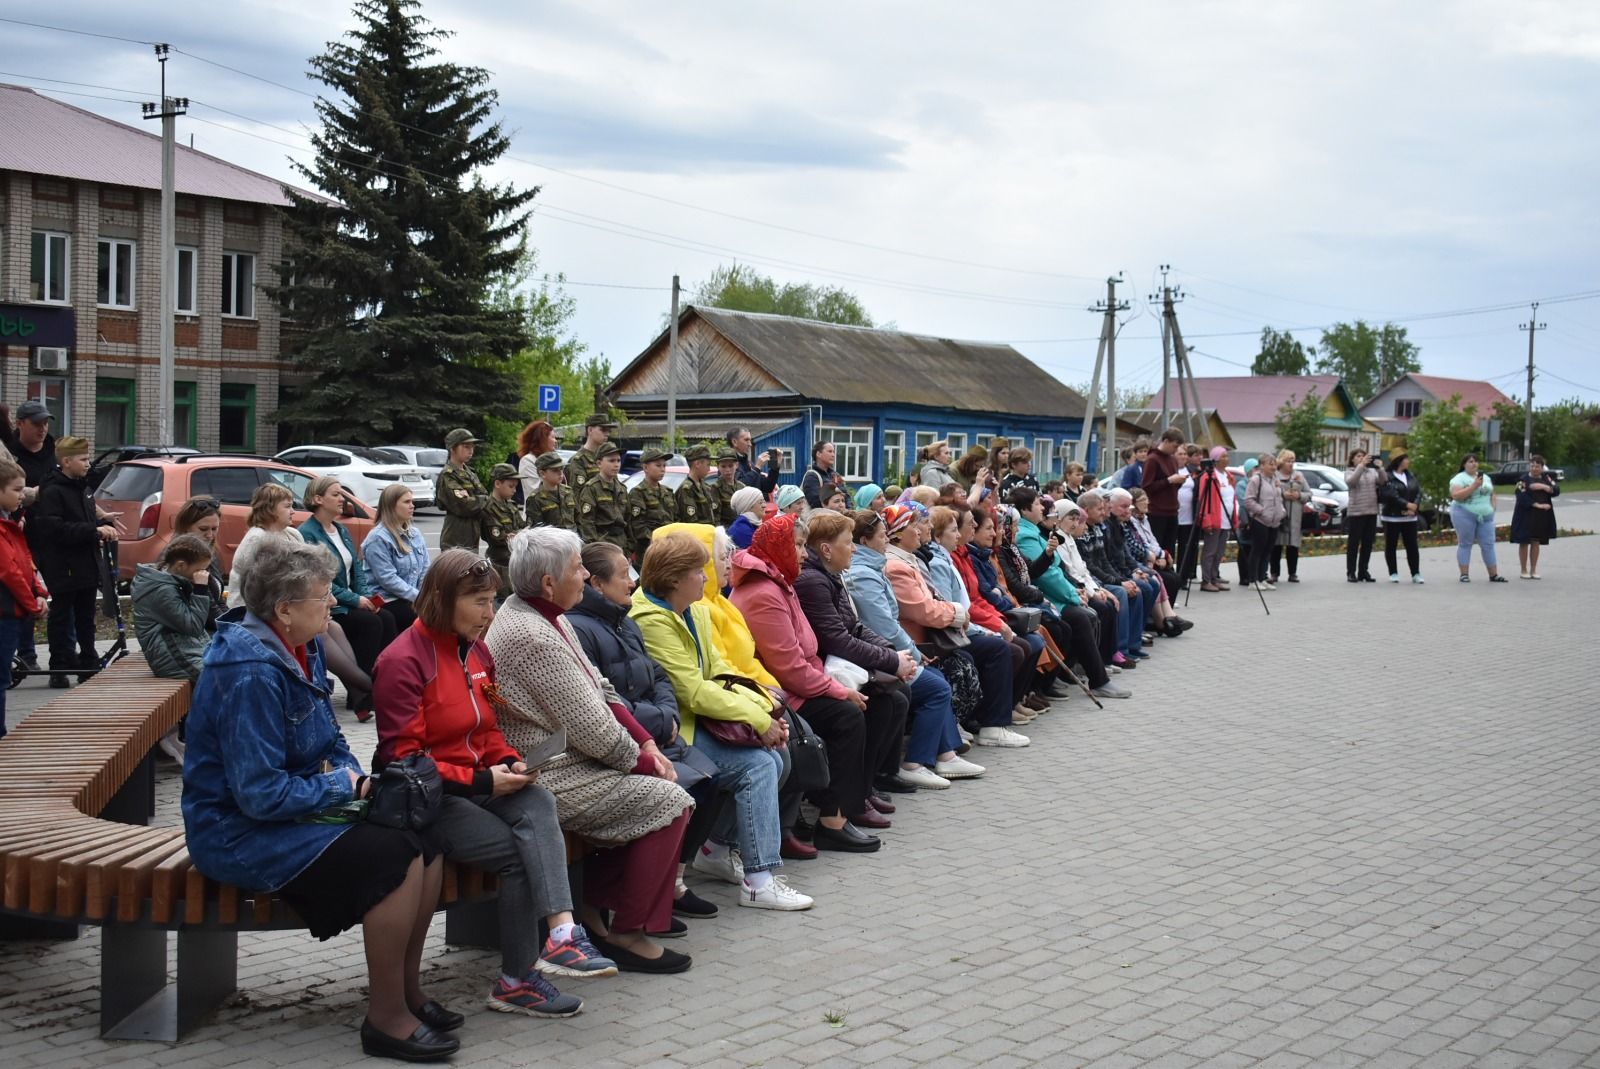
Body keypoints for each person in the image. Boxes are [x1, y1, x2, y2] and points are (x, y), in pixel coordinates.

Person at [183, 539, 457, 1061]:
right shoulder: (249, 672)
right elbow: (259, 795)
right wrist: (344, 788)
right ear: (284, 609)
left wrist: (355, 777)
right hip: (236, 832)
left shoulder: (299, 643)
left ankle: (407, 990)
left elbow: (331, 739)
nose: (333, 604)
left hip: (296, 807)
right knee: (391, 854)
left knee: (427, 834)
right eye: (324, 595)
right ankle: (385, 1017)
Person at [371, 546, 608, 1023]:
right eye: (478, 601)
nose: (489, 614)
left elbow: (488, 726)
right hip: (428, 799)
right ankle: (519, 979)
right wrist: (481, 780)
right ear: (441, 599)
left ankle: (561, 935)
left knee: (538, 797)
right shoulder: (403, 661)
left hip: (479, 785)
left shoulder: (477, 651)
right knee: (520, 853)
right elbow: (402, 761)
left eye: (491, 600)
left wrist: (509, 762)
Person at [485, 529, 695, 972]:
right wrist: (648, 763)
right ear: (548, 582)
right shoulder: (531, 634)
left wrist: (646, 741)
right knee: (672, 801)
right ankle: (628, 932)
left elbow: (601, 688)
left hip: (575, 758)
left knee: (669, 788)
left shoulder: (550, 615)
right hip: (549, 773)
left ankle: (596, 909)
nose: (585, 575)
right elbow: (595, 731)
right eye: (578, 568)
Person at [631, 531, 815, 911]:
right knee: (759, 767)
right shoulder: (651, 621)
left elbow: (720, 668)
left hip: (706, 719)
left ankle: (716, 847)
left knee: (779, 757)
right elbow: (692, 691)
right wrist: (756, 718)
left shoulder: (693, 609)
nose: (707, 576)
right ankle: (759, 880)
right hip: (678, 728)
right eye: (699, 571)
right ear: (674, 578)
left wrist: (763, 708)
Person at [566, 542, 723, 922]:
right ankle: (632, 906)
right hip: (622, 744)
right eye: (623, 574)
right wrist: (659, 722)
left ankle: (673, 883)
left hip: (656, 731)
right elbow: (604, 700)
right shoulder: (581, 629)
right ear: (597, 584)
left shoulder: (625, 620)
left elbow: (657, 676)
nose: (632, 581)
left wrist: (667, 715)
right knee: (674, 794)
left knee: (711, 781)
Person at [729, 514, 880, 853]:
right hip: (781, 690)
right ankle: (833, 820)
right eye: (797, 545)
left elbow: (805, 651)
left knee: (877, 698)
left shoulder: (781, 580)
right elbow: (789, 668)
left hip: (798, 683)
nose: (803, 554)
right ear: (778, 547)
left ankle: (852, 800)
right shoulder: (764, 591)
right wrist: (839, 689)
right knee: (847, 716)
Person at [842, 509, 985, 787]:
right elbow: (885, 626)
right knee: (935, 686)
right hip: (881, 653)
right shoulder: (866, 574)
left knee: (940, 679)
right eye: (883, 536)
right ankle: (916, 761)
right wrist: (915, 654)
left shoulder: (875, 567)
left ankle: (945, 753)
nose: (922, 531)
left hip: (890, 649)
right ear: (866, 540)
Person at [793, 510, 919, 824]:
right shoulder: (812, 581)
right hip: (824, 671)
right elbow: (836, 639)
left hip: (839, 666)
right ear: (826, 549)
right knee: (870, 708)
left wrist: (892, 652)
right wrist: (891, 660)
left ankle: (863, 786)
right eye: (848, 542)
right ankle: (844, 801)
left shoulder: (829, 576)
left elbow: (854, 626)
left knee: (895, 697)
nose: (853, 549)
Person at [882, 504, 1027, 748]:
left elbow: (967, 599)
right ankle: (973, 730)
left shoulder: (929, 559)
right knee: (991, 653)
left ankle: (968, 728)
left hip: (937, 633)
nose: (921, 530)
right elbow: (927, 609)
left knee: (1015, 644)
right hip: (924, 640)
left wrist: (983, 621)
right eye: (917, 525)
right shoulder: (903, 565)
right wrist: (961, 617)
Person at [229, 482, 373, 707]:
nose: (293, 511)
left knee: (334, 627)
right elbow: (259, 589)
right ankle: (366, 686)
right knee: (320, 632)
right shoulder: (256, 539)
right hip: (258, 612)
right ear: (269, 509)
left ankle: (360, 692)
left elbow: (311, 575)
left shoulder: (292, 534)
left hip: (292, 604)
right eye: (287, 506)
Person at [300, 477, 397, 709]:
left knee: (387, 617)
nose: (342, 499)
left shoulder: (341, 530)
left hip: (351, 601)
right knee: (369, 624)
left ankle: (387, 684)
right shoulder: (308, 533)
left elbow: (356, 569)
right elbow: (319, 579)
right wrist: (356, 600)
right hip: (332, 605)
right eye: (335, 494)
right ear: (318, 499)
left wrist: (366, 598)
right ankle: (361, 694)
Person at [27, 436, 112, 688]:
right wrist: (93, 531)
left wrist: (102, 526)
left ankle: (88, 662)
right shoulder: (53, 491)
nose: (88, 464)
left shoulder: (84, 489)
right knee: (62, 617)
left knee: (87, 617)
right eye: (83, 459)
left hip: (86, 563)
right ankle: (59, 666)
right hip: (63, 566)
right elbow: (54, 528)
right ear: (66, 461)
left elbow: (86, 522)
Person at [0, 460, 45, 738]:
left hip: (12, 612)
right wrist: (31, 604)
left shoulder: (11, 521)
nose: (22, 494)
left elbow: (25, 560)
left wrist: (39, 592)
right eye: (16, 489)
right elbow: (8, 571)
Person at [132, 533, 213, 684]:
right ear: (181, 565)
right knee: (220, 680)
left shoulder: (171, 580)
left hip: (188, 649)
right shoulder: (162, 591)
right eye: (200, 570)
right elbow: (193, 626)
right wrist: (200, 590)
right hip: (173, 657)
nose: (204, 574)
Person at [364, 484, 431, 632]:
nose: (412, 506)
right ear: (391, 506)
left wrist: (424, 596)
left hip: (412, 597)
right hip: (388, 599)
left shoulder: (415, 533)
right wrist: (419, 598)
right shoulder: (377, 538)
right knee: (423, 620)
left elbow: (426, 570)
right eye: (407, 502)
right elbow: (388, 579)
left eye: (412, 502)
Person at [170, 496, 226, 632]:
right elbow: (208, 614)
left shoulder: (209, 552)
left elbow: (217, 601)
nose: (210, 535)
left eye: (214, 528)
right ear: (185, 528)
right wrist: (236, 625)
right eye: (203, 529)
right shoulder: (181, 559)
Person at [1449, 454, 1506, 583]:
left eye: (1476, 462)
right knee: (1465, 543)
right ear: (1464, 464)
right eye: (1470, 462)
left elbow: (1492, 492)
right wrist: (1474, 486)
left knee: (1488, 544)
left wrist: (1493, 507)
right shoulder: (1459, 478)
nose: (1474, 464)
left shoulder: (1485, 477)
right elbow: (1456, 495)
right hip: (1465, 514)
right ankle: (1464, 574)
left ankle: (1494, 574)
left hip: (1486, 516)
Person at [478, 465, 527, 600]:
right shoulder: (489, 507)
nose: (514, 490)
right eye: (510, 486)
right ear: (498, 483)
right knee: (502, 599)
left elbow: (523, 527)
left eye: (515, 486)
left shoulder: (511, 505)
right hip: (500, 563)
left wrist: (517, 534)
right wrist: (513, 535)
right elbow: (497, 537)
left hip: (515, 560)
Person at [436, 428, 490, 552]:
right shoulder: (448, 475)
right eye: (466, 446)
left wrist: (479, 500)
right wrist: (482, 500)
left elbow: (483, 495)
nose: (471, 450)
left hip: (472, 535)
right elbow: (465, 505)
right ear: (452, 449)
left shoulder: (469, 472)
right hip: (456, 537)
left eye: (472, 446)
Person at [1192, 448, 1236, 592]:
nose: (1227, 458)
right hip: (1214, 518)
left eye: (1227, 456)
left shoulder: (1228, 476)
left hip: (1226, 520)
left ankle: (1214, 577)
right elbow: (1204, 499)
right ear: (1215, 459)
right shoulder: (1209, 476)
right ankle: (1206, 580)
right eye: (1223, 456)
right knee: (1210, 551)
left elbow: (1231, 498)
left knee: (1220, 551)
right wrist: (1206, 519)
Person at [1242, 454, 1287, 591]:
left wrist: (1282, 512)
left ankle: (1262, 577)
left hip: (1274, 521)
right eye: (1270, 464)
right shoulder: (1256, 480)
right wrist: (1261, 511)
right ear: (1261, 465)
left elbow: (1279, 498)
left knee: (1268, 551)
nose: (1273, 467)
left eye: (1274, 464)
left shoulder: (1275, 480)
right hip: (1260, 520)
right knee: (1257, 550)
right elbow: (1248, 501)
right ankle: (1252, 580)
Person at [1510, 454, 1559, 579]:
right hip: (1525, 515)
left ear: (1542, 467)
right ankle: (1523, 570)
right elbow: (1520, 495)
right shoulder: (1522, 480)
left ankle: (1534, 569)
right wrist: (1536, 505)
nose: (1534, 468)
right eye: (1532, 466)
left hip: (1541, 517)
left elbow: (1556, 489)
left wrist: (1544, 487)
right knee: (1524, 542)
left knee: (1536, 541)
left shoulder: (1546, 478)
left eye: (1537, 466)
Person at [1139, 427, 1186, 557]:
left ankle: (1169, 575)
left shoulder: (1172, 460)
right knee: (1158, 548)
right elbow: (1147, 486)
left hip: (1172, 511)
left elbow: (1172, 488)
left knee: (1170, 550)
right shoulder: (1152, 459)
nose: (1175, 450)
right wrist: (1169, 481)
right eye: (1174, 446)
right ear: (1165, 441)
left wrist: (1178, 482)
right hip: (1157, 512)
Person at [1379, 451, 1424, 584]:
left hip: (1410, 517)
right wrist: (1407, 505)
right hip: (1392, 517)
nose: (1408, 461)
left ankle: (1415, 573)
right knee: (1391, 545)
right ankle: (1393, 572)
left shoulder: (1410, 476)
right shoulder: (1388, 477)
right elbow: (1390, 495)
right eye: (1406, 459)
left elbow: (1418, 492)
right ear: (1398, 461)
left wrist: (1414, 505)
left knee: (1412, 546)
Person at [576, 442, 629, 553]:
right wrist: (596, 549)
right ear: (599, 463)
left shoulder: (622, 489)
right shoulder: (592, 488)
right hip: (603, 545)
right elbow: (587, 523)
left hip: (621, 544)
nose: (616, 465)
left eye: (618, 460)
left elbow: (628, 520)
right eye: (611, 461)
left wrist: (629, 548)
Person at [627, 448, 678, 558]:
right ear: (645, 468)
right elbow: (638, 525)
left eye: (664, 466)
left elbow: (676, 519)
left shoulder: (668, 492)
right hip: (649, 548)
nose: (663, 469)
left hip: (669, 547)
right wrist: (657, 540)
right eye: (658, 466)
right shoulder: (638, 493)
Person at [1271, 450, 1311, 584]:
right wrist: (1283, 494)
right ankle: (1274, 573)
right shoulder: (1274, 475)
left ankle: (1292, 573)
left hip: (1295, 517)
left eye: (1293, 461)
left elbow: (1309, 493)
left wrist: (1299, 496)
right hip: (1279, 516)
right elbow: (1269, 492)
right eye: (1288, 461)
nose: (1291, 464)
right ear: (1281, 462)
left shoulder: (1299, 476)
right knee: (1276, 545)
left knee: (1293, 545)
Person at [565, 414, 617, 496]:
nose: (607, 434)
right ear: (590, 430)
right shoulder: (579, 460)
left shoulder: (607, 457)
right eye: (603, 430)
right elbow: (578, 494)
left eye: (609, 431)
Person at [526, 452, 577, 532]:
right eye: (555, 470)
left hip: (573, 538)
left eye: (561, 469)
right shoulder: (535, 498)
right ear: (542, 474)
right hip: (551, 541)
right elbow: (536, 529)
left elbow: (578, 518)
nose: (560, 473)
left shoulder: (568, 492)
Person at [515, 420, 559, 503]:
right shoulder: (528, 460)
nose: (555, 441)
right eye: (552, 437)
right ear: (542, 439)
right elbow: (535, 490)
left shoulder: (554, 460)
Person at [727, 427, 779, 494]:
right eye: (746, 440)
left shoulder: (748, 463)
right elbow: (739, 488)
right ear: (734, 442)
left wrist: (775, 466)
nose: (750, 444)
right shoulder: (728, 464)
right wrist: (757, 468)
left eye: (750, 440)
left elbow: (767, 487)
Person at [800, 441, 845, 509]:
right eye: (829, 451)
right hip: (822, 518)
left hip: (839, 516)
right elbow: (816, 503)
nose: (833, 455)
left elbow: (846, 496)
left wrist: (849, 513)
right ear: (818, 454)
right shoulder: (811, 476)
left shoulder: (835, 475)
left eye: (833, 452)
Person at [714, 447, 743, 526]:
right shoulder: (715, 488)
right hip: (725, 532)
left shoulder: (742, 487)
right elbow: (715, 519)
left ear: (736, 465)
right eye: (723, 466)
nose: (727, 470)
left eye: (730, 466)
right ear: (718, 467)